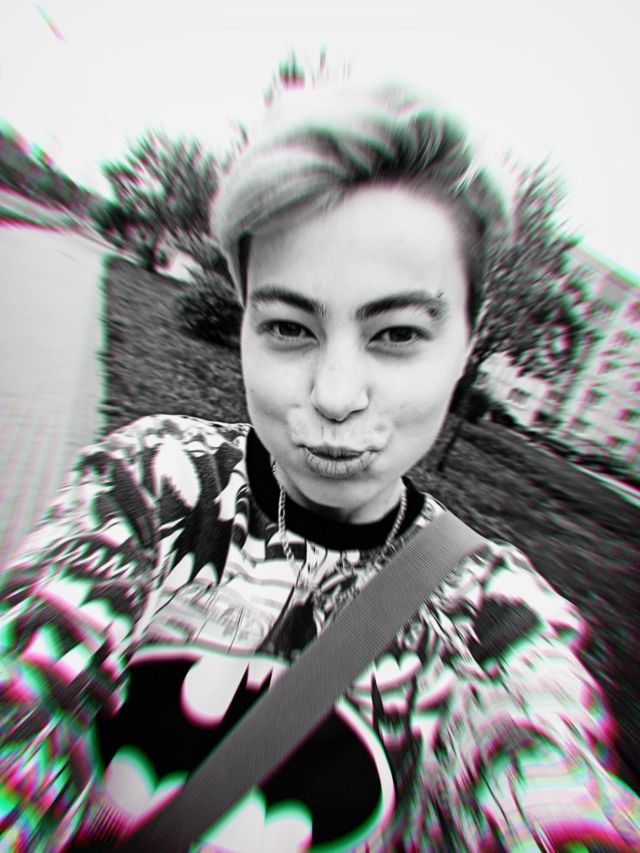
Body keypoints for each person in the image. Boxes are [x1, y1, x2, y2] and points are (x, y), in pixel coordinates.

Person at [1, 80, 639, 852]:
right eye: (288, 326)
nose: (335, 396)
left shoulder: (489, 615)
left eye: (397, 334)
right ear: (244, 326)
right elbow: (27, 678)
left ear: (465, 350)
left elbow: (546, 781)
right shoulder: (150, 484)